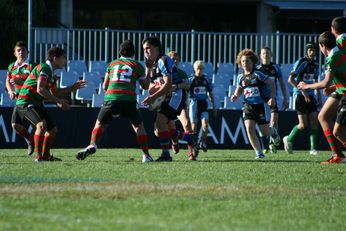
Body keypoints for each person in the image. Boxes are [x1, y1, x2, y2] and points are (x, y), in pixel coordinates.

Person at [76, 40, 154, 163]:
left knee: (99, 125)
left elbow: (105, 86)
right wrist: (148, 69)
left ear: (120, 52)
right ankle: (146, 155)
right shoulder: (137, 65)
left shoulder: (112, 64)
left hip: (111, 98)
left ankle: (92, 145)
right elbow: (145, 86)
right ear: (133, 53)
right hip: (129, 99)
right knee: (139, 127)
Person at [16, 47, 85, 162]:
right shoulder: (44, 68)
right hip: (25, 102)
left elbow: (55, 92)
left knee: (52, 131)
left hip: (35, 104)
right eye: (63, 58)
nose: (65, 61)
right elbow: (41, 89)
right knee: (41, 125)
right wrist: (58, 101)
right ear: (55, 58)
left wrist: (72, 88)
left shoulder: (52, 74)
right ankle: (39, 157)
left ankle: (46, 156)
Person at [141, 36, 198, 161]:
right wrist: (147, 68)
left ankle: (166, 155)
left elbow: (168, 84)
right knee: (159, 129)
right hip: (165, 96)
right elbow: (146, 85)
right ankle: (189, 138)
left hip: (175, 95)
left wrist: (152, 97)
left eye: (148, 49)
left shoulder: (163, 60)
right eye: (144, 49)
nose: (145, 52)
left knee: (161, 122)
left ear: (156, 48)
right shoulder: (154, 64)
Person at [298, 31, 346, 164]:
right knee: (323, 117)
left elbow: (325, 82)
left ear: (322, 45)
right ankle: (338, 155)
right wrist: (334, 87)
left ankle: (339, 155)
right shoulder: (340, 51)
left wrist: (307, 86)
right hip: (340, 91)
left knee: (338, 132)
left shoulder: (334, 57)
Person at [230, 48, 280, 159]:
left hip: (261, 106)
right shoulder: (240, 77)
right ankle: (259, 153)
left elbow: (271, 83)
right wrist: (235, 95)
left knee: (265, 132)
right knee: (249, 128)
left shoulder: (258, 74)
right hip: (248, 106)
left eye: (247, 61)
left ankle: (273, 132)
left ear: (252, 62)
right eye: (243, 61)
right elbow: (239, 89)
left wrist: (272, 98)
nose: (245, 63)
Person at [282, 42, 321, 155]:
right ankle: (288, 139)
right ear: (306, 52)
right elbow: (291, 79)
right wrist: (303, 92)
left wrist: (318, 96)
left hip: (311, 96)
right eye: (310, 50)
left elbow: (316, 81)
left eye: (314, 50)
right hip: (300, 96)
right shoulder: (301, 62)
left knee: (314, 119)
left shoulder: (316, 65)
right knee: (303, 125)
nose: (312, 52)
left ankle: (313, 149)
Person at [5, 41, 35, 155]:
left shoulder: (32, 66)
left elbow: (34, 85)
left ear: (28, 52)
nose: (21, 52)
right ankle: (30, 141)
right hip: (20, 100)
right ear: (15, 53)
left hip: (32, 100)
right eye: (19, 50)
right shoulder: (11, 66)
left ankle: (42, 152)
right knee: (15, 125)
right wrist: (10, 91)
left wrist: (20, 82)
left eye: (23, 50)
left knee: (38, 126)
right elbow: (8, 81)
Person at [257, 47, 288, 154]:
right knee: (263, 123)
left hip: (273, 98)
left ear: (271, 55)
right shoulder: (258, 69)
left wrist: (285, 98)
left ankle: (271, 143)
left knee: (274, 120)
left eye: (267, 53)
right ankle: (264, 146)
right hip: (262, 99)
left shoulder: (275, 67)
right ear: (260, 56)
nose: (265, 55)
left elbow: (282, 83)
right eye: (263, 53)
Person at [166, 51, 192, 155]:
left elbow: (188, 86)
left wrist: (176, 86)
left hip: (180, 104)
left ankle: (191, 152)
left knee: (186, 124)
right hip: (168, 104)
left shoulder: (182, 73)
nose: (174, 60)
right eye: (171, 58)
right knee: (171, 129)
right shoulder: (165, 72)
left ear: (179, 60)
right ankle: (175, 141)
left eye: (176, 58)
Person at [189, 60, 217, 152]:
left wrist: (214, 106)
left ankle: (203, 142)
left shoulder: (206, 79)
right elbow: (186, 93)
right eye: (197, 69)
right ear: (194, 69)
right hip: (194, 105)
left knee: (205, 124)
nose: (199, 71)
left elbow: (210, 93)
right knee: (194, 127)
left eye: (201, 69)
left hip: (203, 104)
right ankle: (194, 145)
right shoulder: (191, 80)